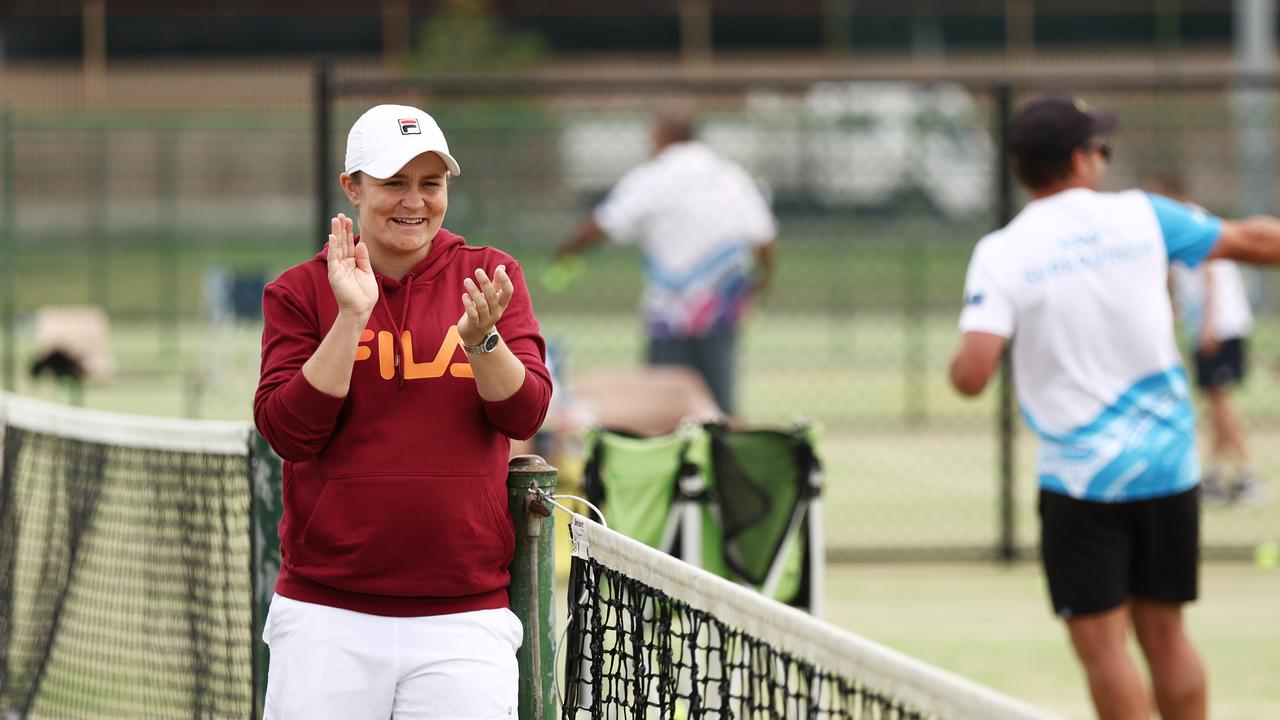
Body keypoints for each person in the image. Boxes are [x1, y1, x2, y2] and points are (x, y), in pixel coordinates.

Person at [948, 93, 1280, 720]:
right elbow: (1255, 242)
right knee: (1167, 634)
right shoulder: (1144, 216)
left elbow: (972, 374)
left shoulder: (1003, 250)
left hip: (1081, 478)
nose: (1104, 159)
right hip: (1169, 466)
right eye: (1101, 148)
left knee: (1104, 648)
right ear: (1079, 160)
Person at [254, 104, 551, 720]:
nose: (414, 201)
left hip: (464, 619)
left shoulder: (490, 277)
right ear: (353, 188)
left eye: (430, 183)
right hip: (327, 616)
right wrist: (350, 317)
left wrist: (481, 342)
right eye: (394, 183)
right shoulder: (299, 290)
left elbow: (524, 415)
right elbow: (289, 432)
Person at [553, 107, 776, 416]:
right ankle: (724, 455)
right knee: (721, 404)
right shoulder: (731, 176)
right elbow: (763, 238)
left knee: (662, 404)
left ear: (662, 136)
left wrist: (565, 255)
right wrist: (761, 283)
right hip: (719, 308)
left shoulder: (653, 177)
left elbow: (604, 224)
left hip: (670, 312)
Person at [1162, 179, 1265, 507]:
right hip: (1209, 325)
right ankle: (1215, 475)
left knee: (1220, 401)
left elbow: (1208, 276)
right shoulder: (1179, 227)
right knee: (1215, 402)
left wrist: (1207, 325)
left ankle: (1248, 476)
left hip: (1220, 326)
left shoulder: (1189, 221)